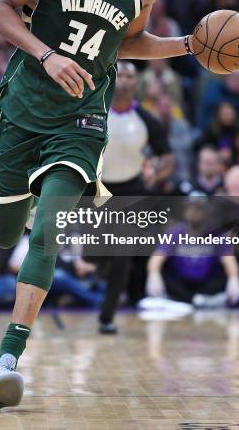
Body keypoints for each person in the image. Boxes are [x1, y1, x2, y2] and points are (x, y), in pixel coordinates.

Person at [0, 0, 197, 410]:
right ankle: (24, 205)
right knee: (8, 236)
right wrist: (46, 54)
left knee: (47, 233)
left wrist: (190, 46)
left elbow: (130, 42)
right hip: (25, 109)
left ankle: (6, 360)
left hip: (82, 118)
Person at [98, 60, 173, 333]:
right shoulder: (96, 110)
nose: (126, 80)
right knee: (94, 254)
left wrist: (157, 171)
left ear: (136, 83)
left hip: (130, 191)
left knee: (122, 255)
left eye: (130, 75)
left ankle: (107, 316)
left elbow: (167, 156)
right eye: (121, 74)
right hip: (94, 189)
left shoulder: (145, 119)